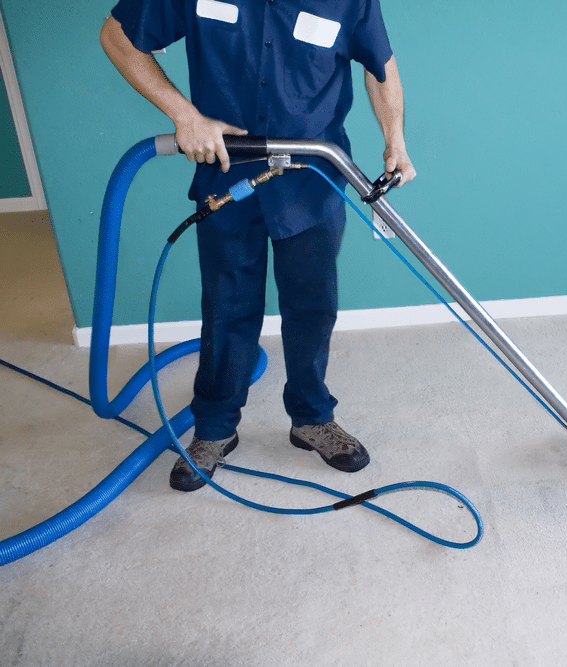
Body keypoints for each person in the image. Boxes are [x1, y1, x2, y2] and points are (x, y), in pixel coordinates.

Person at [100, 0, 415, 491]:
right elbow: (117, 36)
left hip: (312, 178)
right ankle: (215, 428)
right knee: (227, 306)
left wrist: (395, 140)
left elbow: (380, 67)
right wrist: (185, 116)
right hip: (228, 173)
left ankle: (311, 416)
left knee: (312, 308)